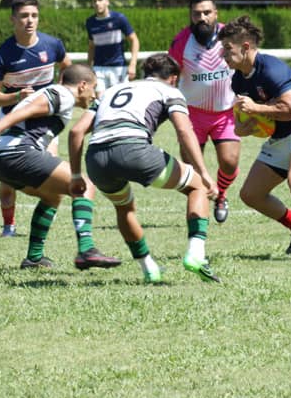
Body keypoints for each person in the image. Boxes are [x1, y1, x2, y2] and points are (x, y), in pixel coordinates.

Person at [68, 53, 219, 284]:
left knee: (124, 208)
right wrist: (204, 172)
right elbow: (184, 131)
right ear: (173, 78)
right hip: (134, 150)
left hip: (97, 159)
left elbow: (77, 131)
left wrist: (77, 175)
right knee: (197, 187)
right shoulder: (169, 90)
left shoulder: (111, 91)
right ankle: (196, 256)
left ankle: (149, 269)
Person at [217, 16, 291, 263]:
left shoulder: (271, 68)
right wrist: (244, 127)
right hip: (281, 136)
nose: (223, 55)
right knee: (251, 194)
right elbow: (243, 124)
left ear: (245, 47)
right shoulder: (237, 79)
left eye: (228, 49)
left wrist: (257, 110)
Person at [0, 64, 120, 270]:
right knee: (85, 187)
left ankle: (33, 259)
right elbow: (30, 109)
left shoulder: (58, 97)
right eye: (93, 88)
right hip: (16, 153)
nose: (94, 94)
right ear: (82, 86)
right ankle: (86, 250)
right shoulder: (63, 94)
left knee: (52, 196)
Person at [0, 0, 71, 237]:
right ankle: (8, 226)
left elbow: (67, 66)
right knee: (8, 179)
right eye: (24, 16)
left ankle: (44, 223)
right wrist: (16, 98)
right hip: (12, 119)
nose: (29, 21)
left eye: (34, 15)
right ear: (13, 19)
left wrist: (60, 90)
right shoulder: (4, 54)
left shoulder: (52, 45)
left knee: (50, 165)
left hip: (44, 119)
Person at [168, 0, 240, 224]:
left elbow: (246, 64)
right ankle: (199, 208)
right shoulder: (181, 42)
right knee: (190, 169)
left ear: (216, 13)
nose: (202, 18)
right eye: (197, 13)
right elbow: (170, 76)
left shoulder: (231, 36)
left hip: (226, 112)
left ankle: (221, 195)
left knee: (229, 162)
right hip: (192, 114)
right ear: (191, 15)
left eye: (207, 13)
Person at [85, 0, 139, 98]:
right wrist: (88, 68)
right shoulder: (90, 22)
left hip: (118, 67)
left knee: (119, 100)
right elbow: (91, 46)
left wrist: (133, 64)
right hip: (98, 68)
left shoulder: (119, 19)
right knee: (100, 101)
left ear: (107, 2)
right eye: (94, 1)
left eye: (100, 0)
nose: (97, 3)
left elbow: (134, 40)